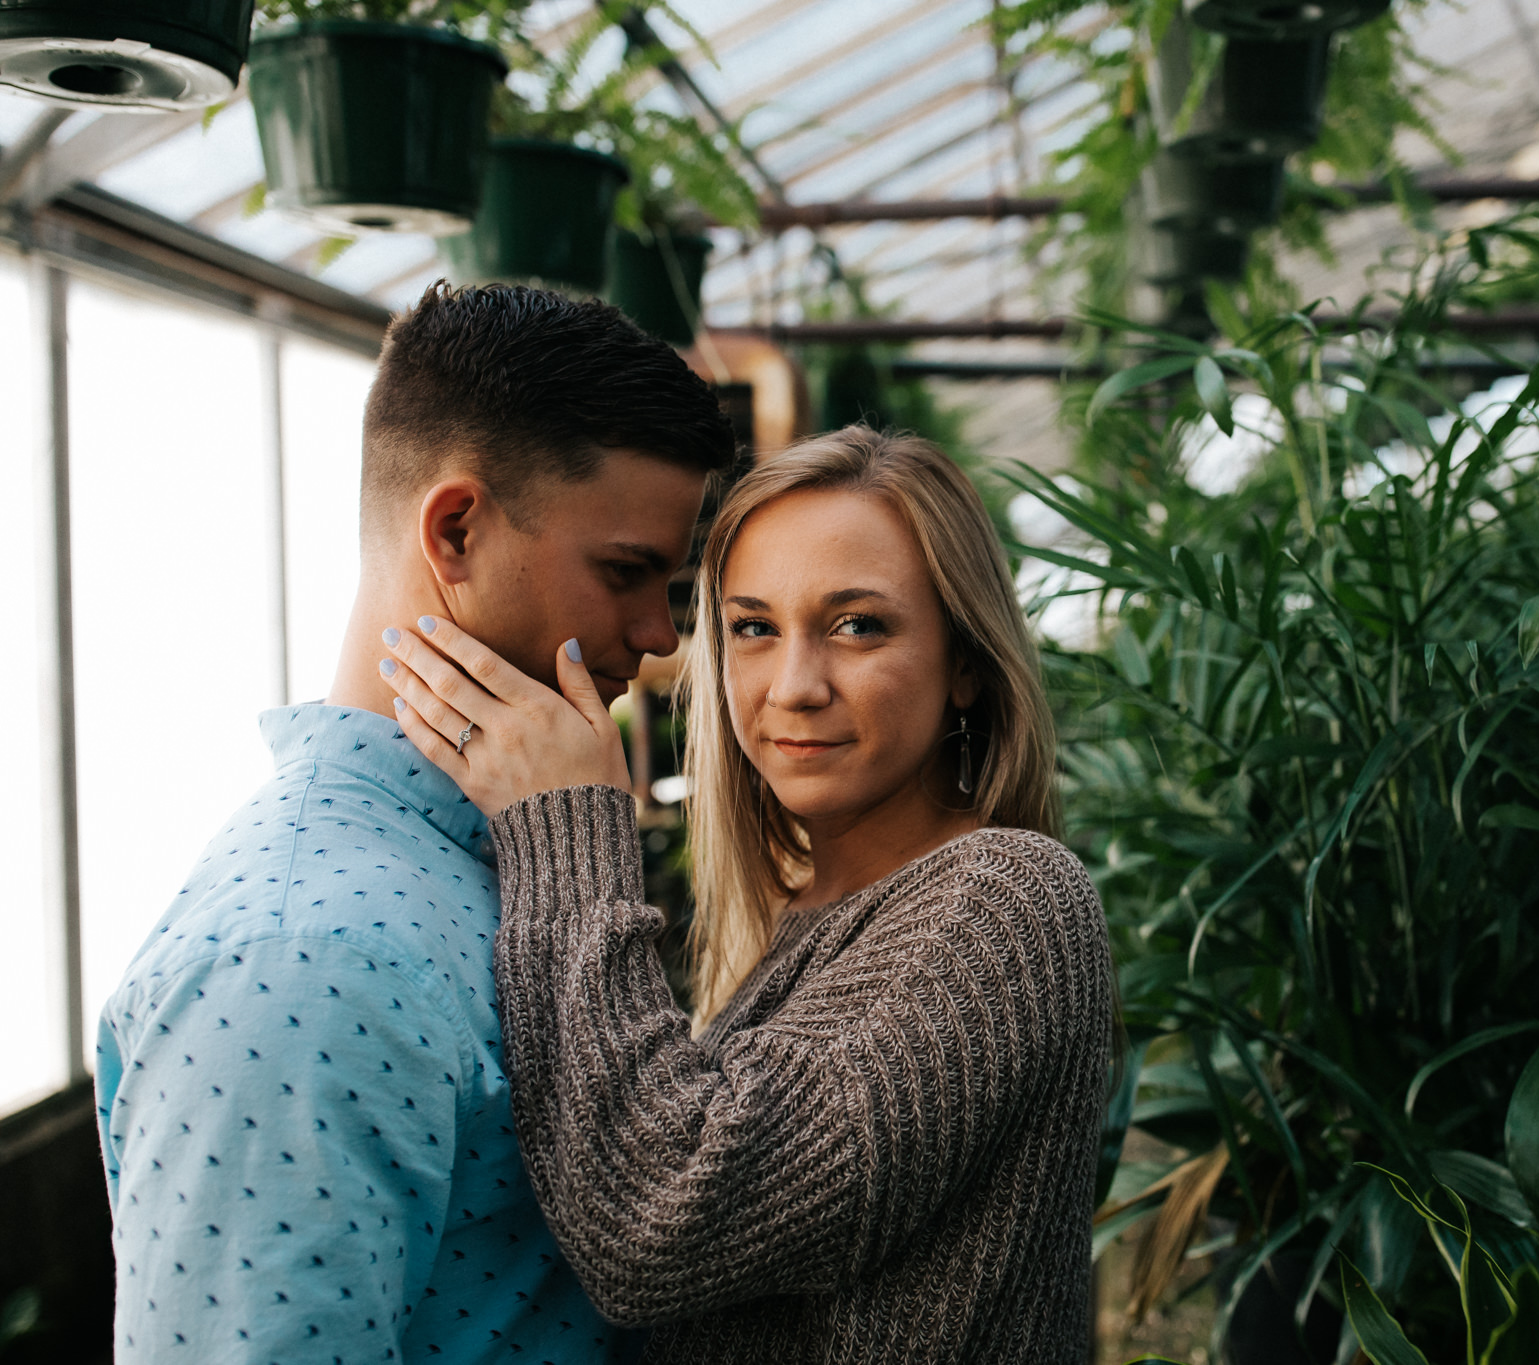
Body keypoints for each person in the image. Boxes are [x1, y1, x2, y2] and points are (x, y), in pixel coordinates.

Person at [93, 281, 735, 1363]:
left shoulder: (494, 864)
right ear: (455, 529)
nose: (655, 637)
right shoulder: (306, 957)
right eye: (625, 573)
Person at [375, 427, 1114, 1362]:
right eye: (754, 628)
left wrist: (566, 820)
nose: (795, 686)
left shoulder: (1005, 898)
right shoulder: (808, 911)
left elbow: (657, 1221)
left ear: (965, 663)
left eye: (858, 624)